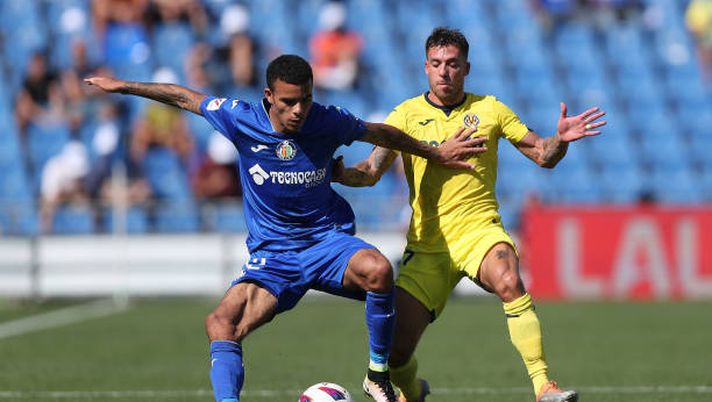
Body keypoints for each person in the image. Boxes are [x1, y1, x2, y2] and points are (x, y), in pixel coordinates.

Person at [84, 54, 483, 402]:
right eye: (289, 102)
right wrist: (123, 87)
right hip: (274, 256)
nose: (299, 111)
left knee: (379, 270)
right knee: (221, 323)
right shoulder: (241, 118)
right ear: (269, 96)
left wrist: (434, 152)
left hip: (327, 243)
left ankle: (378, 376)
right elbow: (184, 97)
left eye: (305, 100)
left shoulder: (327, 120)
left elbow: (380, 132)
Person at [334, 27, 607, 402]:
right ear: (425, 67)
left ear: (467, 68)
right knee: (396, 355)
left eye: (452, 64)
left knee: (510, 280)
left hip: (479, 233)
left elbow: (543, 155)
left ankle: (544, 386)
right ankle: (412, 393)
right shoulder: (405, 116)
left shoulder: (490, 109)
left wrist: (559, 139)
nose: (444, 71)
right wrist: (337, 174)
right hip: (428, 247)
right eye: (436, 64)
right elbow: (369, 172)